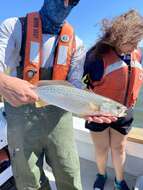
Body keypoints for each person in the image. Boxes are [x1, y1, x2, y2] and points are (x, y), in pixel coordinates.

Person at [0, 0, 88, 189]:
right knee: (28, 178)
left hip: (59, 117)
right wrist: (3, 82)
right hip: (20, 116)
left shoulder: (77, 43)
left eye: (72, 0)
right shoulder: (13, 26)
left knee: (69, 172)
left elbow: (76, 84)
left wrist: (89, 105)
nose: (65, 3)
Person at [83, 9, 143, 190]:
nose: (135, 46)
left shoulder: (137, 54)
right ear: (119, 37)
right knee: (101, 149)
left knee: (119, 148)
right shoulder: (96, 56)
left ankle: (119, 180)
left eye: (137, 41)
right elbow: (83, 85)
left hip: (124, 111)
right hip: (98, 112)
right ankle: (101, 175)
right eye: (132, 41)